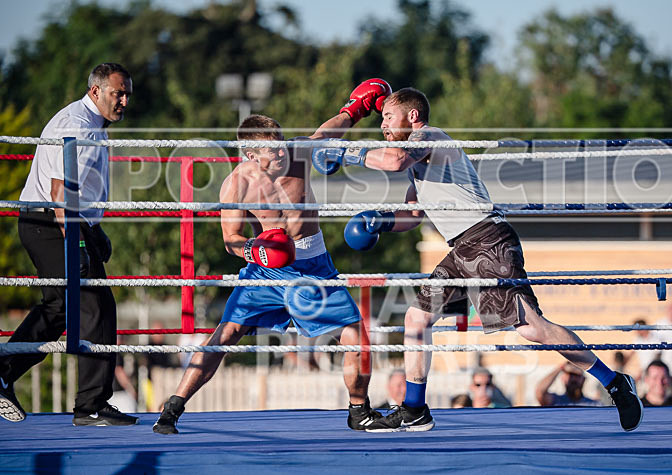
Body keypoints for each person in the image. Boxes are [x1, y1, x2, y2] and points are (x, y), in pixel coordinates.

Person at [312, 87, 643, 432]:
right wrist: (380, 220)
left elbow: (393, 160)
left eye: (388, 118)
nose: (383, 126)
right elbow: (413, 214)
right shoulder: (418, 160)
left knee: (532, 328)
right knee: (416, 319)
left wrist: (347, 152)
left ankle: (614, 381)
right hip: (461, 251)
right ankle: (414, 408)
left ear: (412, 116)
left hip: (487, 241)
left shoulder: (429, 136)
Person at [153, 78, 392, 434]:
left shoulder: (298, 153)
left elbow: (332, 129)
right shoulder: (237, 184)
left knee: (355, 336)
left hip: (314, 266)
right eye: (272, 151)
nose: (281, 154)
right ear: (251, 156)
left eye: (281, 146)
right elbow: (229, 239)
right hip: (265, 272)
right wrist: (254, 249)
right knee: (226, 333)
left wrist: (355, 108)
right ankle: (173, 407)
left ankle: (359, 412)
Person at [0, 63, 137, 426]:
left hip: (55, 222)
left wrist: (93, 229)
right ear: (95, 91)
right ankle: (91, 404)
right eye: (117, 93)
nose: (123, 101)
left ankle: (3, 371)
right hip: (52, 223)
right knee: (95, 307)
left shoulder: (91, 123)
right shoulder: (79, 125)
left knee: (63, 307)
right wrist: (76, 244)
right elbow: (61, 190)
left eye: (127, 95)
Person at [536, 362, 600, 407]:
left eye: (577, 375)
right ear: (563, 378)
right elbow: (540, 392)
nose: (574, 379)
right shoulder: (555, 400)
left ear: (583, 379)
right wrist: (561, 367)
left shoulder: (593, 404)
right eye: (570, 375)